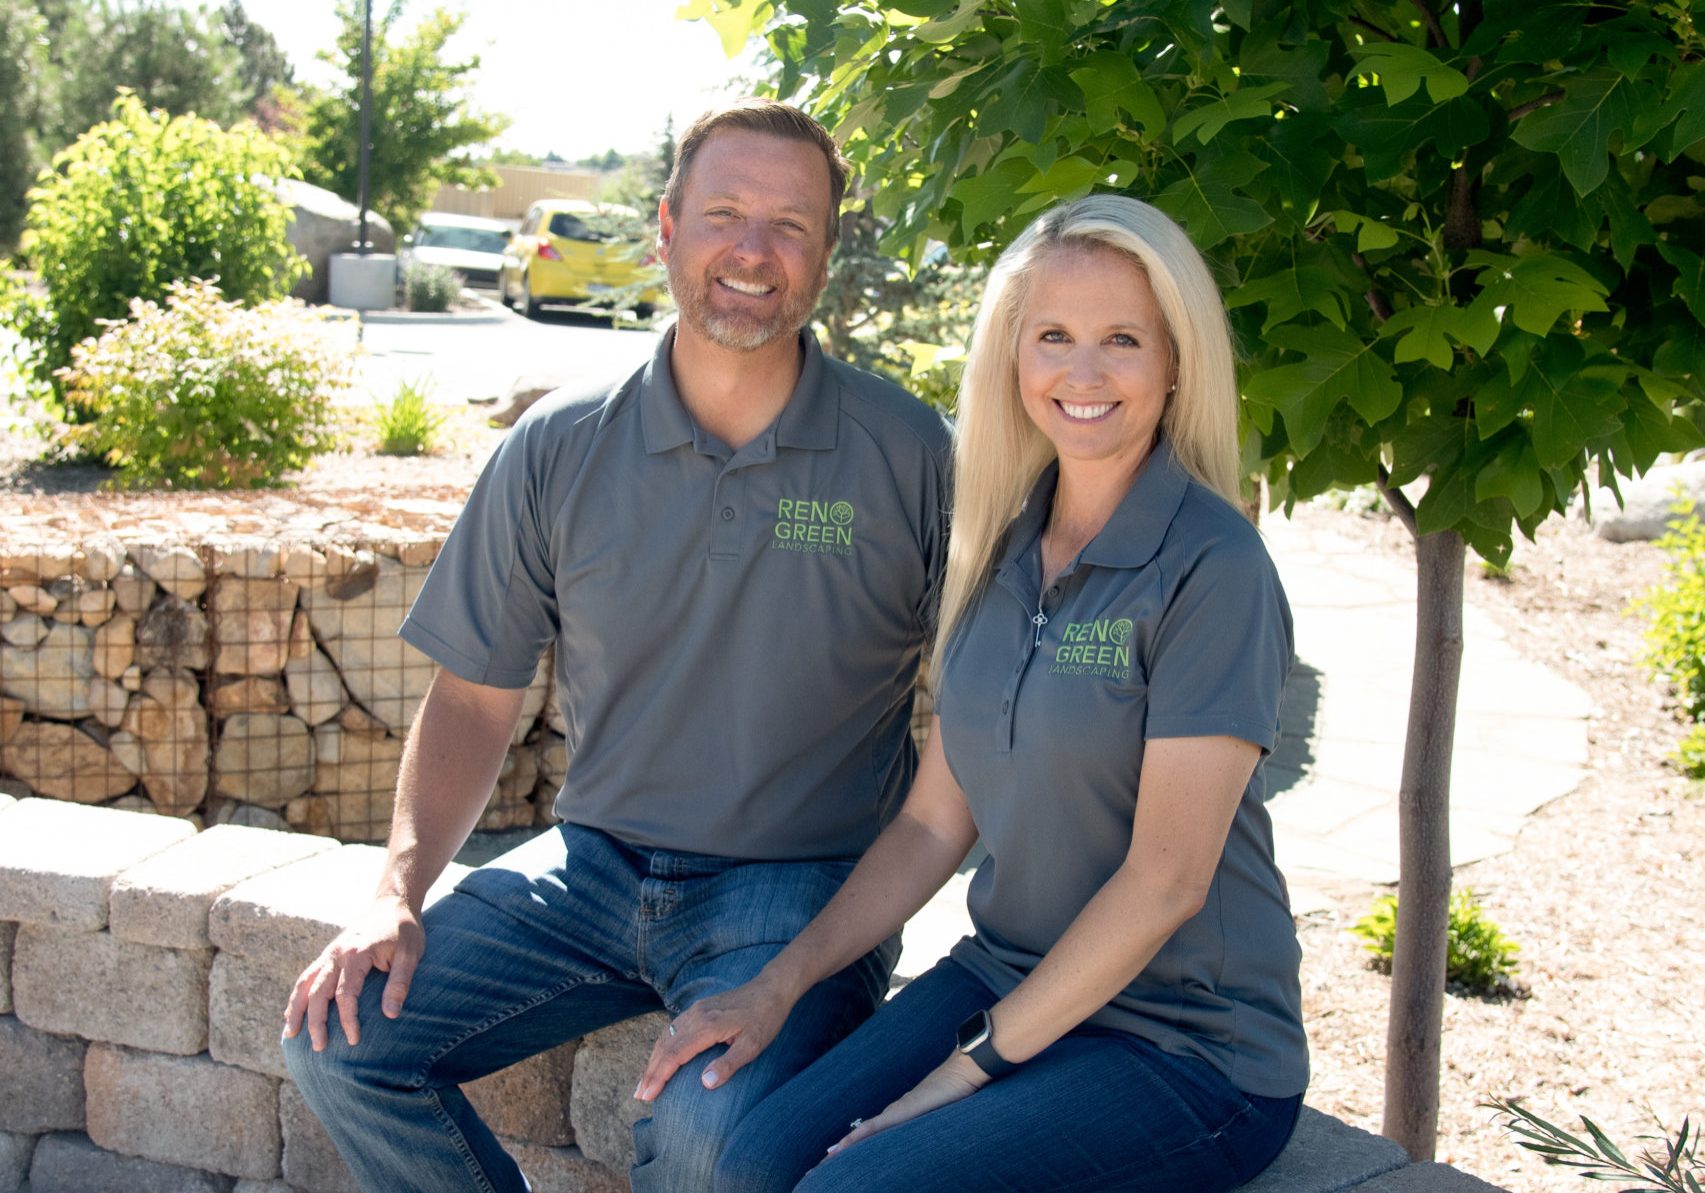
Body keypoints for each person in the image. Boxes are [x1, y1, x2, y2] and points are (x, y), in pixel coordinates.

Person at [279, 98, 950, 1193]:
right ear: (667, 227)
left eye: (790, 225)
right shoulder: (558, 444)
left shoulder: (910, 452)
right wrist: (395, 889)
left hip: (800, 891)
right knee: (336, 1040)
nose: (752, 249)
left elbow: (989, 702)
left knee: (705, 1135)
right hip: (590, 871)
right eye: (725, 212)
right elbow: (472, 697)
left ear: (826, 256)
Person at [637, 194, 1307, 1192]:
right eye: (1053, 336)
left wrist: (952, 1078)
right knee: (745, 1163)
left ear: (1175, 363)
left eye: (1121, 339)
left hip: (1183, 1043)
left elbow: (1166, 881)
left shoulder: (1214, 566)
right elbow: (928, 824)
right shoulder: (1002, 550)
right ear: (1012, 356)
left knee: (846, 1187)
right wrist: (776, 986)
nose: (1082, 373)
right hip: (1008, 972)